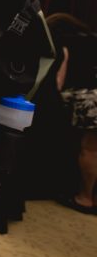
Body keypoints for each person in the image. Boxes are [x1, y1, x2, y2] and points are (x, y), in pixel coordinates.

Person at [47, 12, 97, 215]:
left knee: (89, 150)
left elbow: (58, 82)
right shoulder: (91, 39)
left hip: (89, 100)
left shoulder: (64, 43)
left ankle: (85, 198)